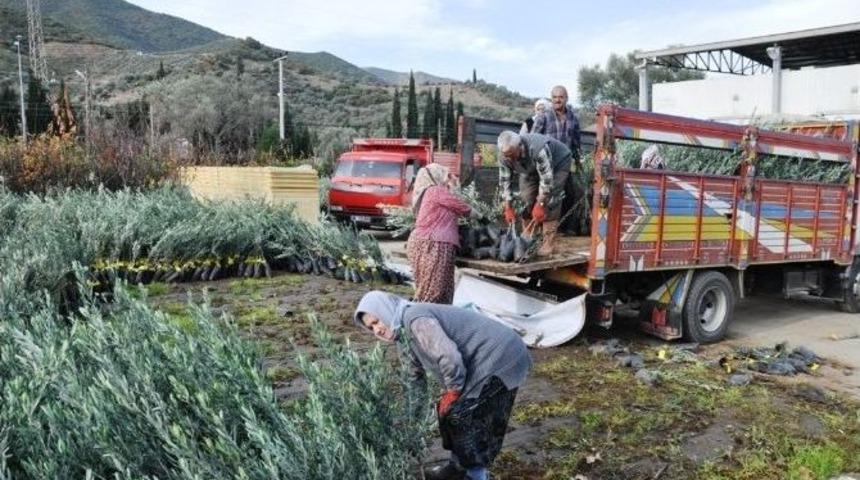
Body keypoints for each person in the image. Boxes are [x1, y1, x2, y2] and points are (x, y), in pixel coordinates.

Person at [354, 291, 532, 480]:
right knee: (450, 415)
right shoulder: (402, 336)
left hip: (501, 355)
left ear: (385, 310)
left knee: (467, 419)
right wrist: (413, 419)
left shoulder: (415, 319)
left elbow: (448, 357)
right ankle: (457, 467)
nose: (377, 330)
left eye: (377, 322)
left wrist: (453, 391)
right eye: (371, 328)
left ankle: (476, 475)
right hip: (478, 361)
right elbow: (413, 378)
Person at [497, 130, 572, 256]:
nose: (509, 158)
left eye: (511, 155)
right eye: (506, 155)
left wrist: (541, 204)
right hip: (529, 167)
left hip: (558, 164)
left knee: (550, 201)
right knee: (526, 197)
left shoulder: (538, 149)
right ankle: (528, 239)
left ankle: (548, 244)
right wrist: (508, 207)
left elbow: (547, 181)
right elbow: (505, 181)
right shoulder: (504, 156)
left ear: (520, 146)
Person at [407, 163, 471, 304]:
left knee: (434, 289)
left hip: (425, 243)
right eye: (445, 175)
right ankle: (419, 314)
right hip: (433, 245)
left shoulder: (426, 192)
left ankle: (434, 313)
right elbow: (461, 206)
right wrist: (479, 216)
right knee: (433, 292)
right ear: (435, 176)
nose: (447, 178)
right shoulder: (435, 191)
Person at [533, 85, 582, 166]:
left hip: (564, 163)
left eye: (561, 97)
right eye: (554, 97)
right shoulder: (543, 117)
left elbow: (576, 144)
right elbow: (533, 141)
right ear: (551, 99)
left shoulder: (573, 118)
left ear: (567, 98)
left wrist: (578, 161)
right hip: (546, 163)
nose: (557, 100)